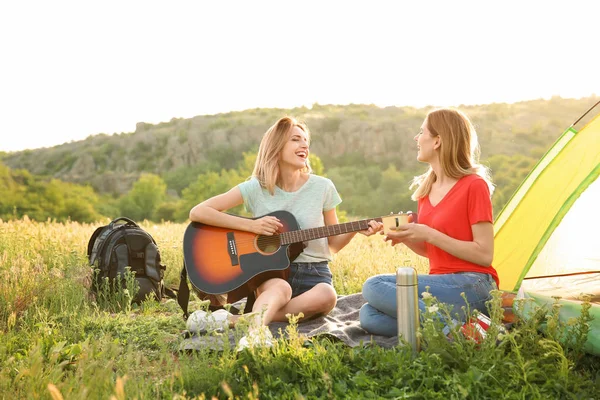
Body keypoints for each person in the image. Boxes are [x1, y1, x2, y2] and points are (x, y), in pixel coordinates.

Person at [189, 116, 381, 349]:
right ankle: (256, 335)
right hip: (270, 271)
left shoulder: (323, 187)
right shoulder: (255, 188)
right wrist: (252, 226)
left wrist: (356, 230)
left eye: (306, 141)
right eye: (296, 139)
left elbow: (332, 245)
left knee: (328, 296)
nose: (304, 146)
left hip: (315, 272)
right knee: (281, 288)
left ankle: (230, 321)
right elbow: (199, 212)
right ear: (277, 146)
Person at [359, 108, 499, 337]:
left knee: (373, 286)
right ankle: (463, 329)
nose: (417, 138)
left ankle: (454, 333)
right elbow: (433, 251)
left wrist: (428, 233)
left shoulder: (474, 185)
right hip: (443, 286)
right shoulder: (426, 190)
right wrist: (406, 238)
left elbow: (484, 255)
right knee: (368, 315)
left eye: (421, 131)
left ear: (437, 141)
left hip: (474, 285)